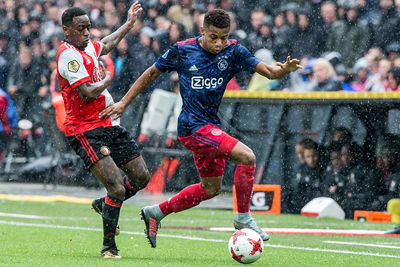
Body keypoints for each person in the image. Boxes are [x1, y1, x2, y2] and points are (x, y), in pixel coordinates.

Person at [99, 9, 301, 248]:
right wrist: (123, 102)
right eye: (213, 36)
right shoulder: (183, 50)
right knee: (247, 157)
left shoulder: (234, 51)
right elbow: (151, 73)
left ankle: (156, 212)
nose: (218, 43)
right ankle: (243, 218)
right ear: (202, 30)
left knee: (211, 188)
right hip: (192, 127)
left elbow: (269, 72)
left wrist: (283, 71)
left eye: (223, 37)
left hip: (210, 126)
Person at [56, 3, 150, 258]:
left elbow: (106, 44)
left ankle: (104, 204)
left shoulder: (86, 47)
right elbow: (86, 93)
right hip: (85, 130)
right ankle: (109, 247)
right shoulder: (67, 55)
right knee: (118, 188)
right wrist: (107, 80)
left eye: (88, 27)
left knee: (142, 177)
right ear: (67, 30)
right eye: (81, 28)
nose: (87, 32)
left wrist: (128, 25)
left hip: (108, 123)